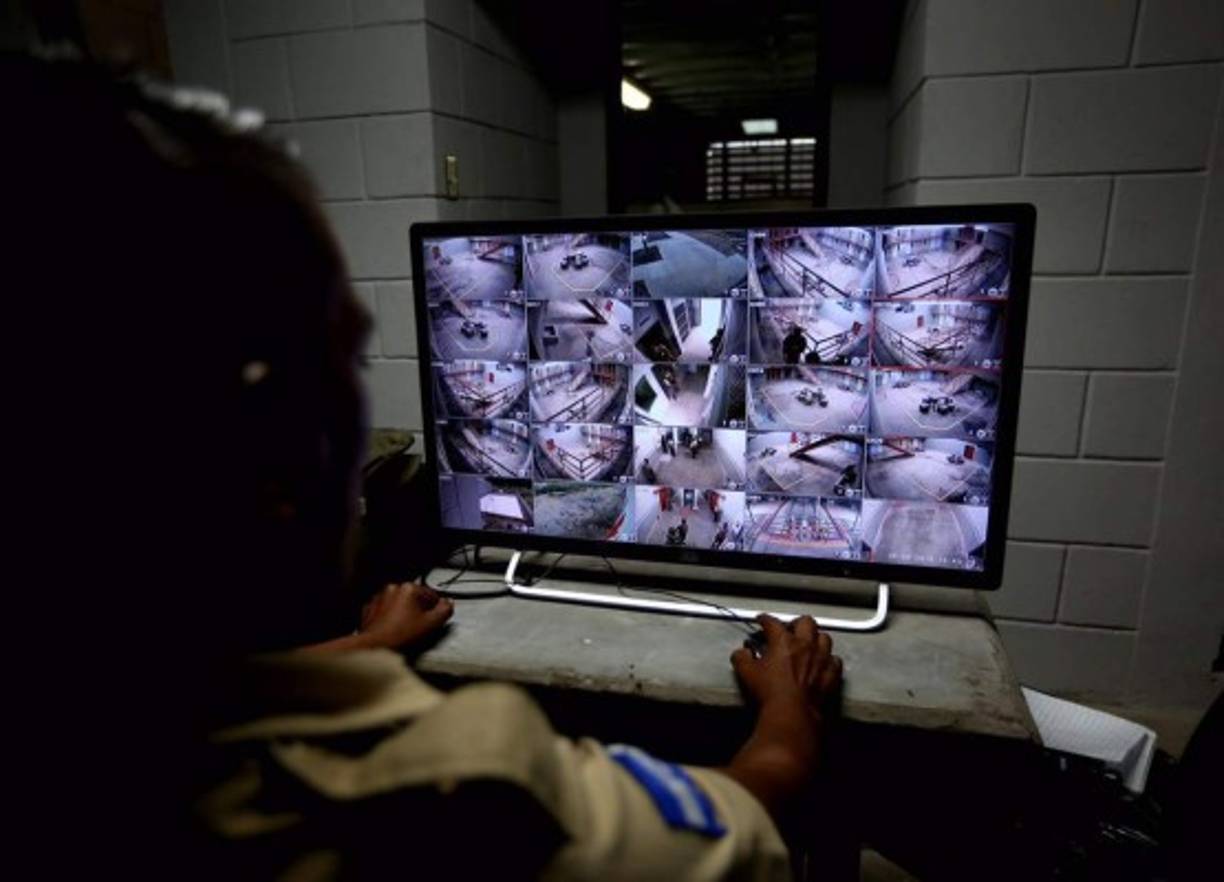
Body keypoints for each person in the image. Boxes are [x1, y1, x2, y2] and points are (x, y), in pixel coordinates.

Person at [12, 53, 842, 881]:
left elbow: (199, 699)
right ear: (287, 444)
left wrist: (366, 646)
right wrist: (786, 711)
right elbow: (743, 815)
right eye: (344, 358)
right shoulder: (462, 787)